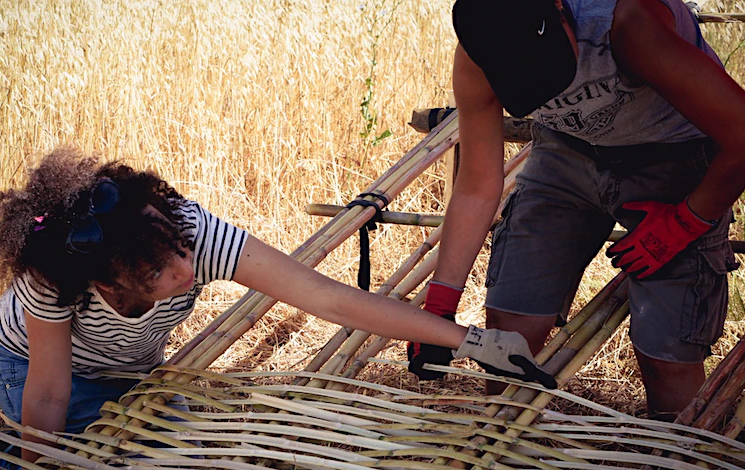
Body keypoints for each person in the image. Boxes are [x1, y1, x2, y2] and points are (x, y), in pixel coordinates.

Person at [0, 147, 556, 465]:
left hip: (132, 375)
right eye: (156, 274)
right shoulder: (56, 279)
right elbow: (48, 393)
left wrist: (467, 339)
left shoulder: (187, 232)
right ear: (107, 283)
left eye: (178, 251)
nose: (186, 272)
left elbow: (330, 299)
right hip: (29, 372)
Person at [406, 0, 744, 420]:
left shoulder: (628, 23)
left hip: (676, 155)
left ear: (560, 11)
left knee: (667, 358)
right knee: (510, 330)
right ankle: (505, 442)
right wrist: (440, 304)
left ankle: (673, 452)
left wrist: (686, 220)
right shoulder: (480, 52)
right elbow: (477, 185)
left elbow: (742, 134)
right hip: (566, 155)